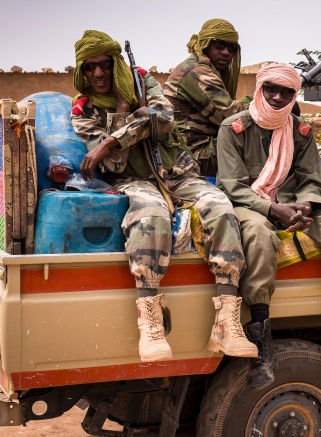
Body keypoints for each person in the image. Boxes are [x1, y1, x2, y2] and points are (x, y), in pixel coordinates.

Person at [70, 30, 257, 363]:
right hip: (132, 180)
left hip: (177, 172)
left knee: (220, 207)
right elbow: (114, 163)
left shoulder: (142, 80)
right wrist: (126, 112)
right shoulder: (82, 111)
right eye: (89, 67)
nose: (97, 74)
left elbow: (164, 118)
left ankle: (226, 320)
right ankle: (150, 320)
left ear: (116, 64)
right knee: (151, 215)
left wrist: (110, 139)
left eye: (104, 65)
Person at [216, 62, 321, 390]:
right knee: (259, 235)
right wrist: (274, 209)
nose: (278, 97)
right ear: (260, 89)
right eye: (272, 89)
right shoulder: (233, 128)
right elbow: (232, 186)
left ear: (295, 95)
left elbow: (311, 179)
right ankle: (261, 335)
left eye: (287, 92)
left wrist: (306, 204)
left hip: (292, 205)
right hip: (251, 205)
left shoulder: (301, 131)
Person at [164, 18, 244, 177]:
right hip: (190, 156)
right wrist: (263, 104)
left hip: (195, 151)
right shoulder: (197, 71)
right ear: (205, 45)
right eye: (219, 45)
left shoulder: (202, 68)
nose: (226, 52)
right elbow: (231, 117)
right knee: (256, 140)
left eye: (231, 48)